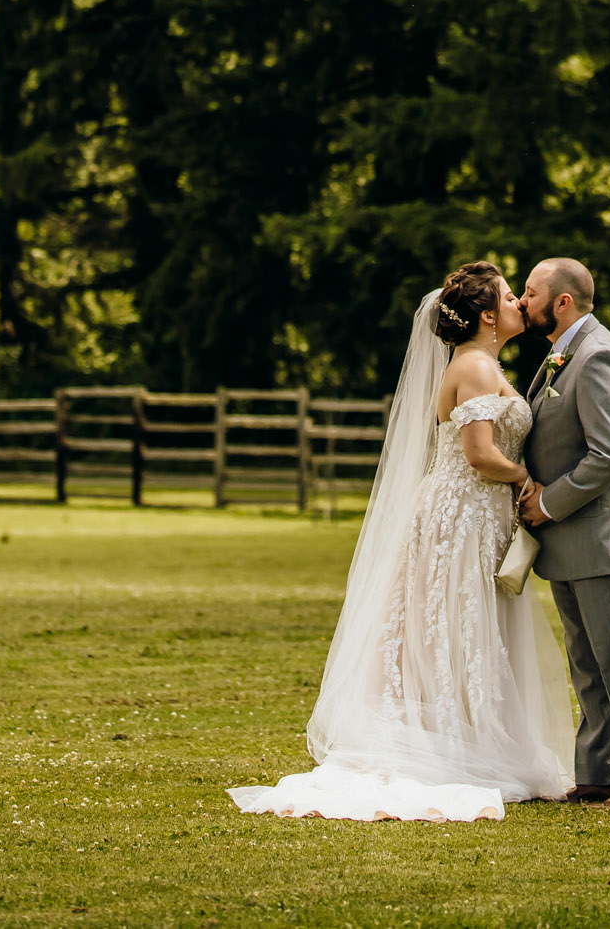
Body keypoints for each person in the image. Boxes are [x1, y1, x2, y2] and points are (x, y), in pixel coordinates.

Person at [229, 261, 574, 821]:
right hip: (458, 515)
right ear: (487, 315)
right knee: (454, 620)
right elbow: (480, 454)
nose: (519, 304)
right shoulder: (479, 368)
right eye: (511, 297)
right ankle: (458, 741)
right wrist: (524, 480)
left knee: (464, 621)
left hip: (473, 515)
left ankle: (472, 733)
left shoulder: (483, 363)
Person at [517, 256, 610, 811]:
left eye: (530, 293)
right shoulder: (562, 355)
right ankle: (597, 776)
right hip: (572, 545)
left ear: (562, 302)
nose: (521, 302)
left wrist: (548, 504)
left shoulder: (599, 356)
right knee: (589, 668)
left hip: (608, 541)